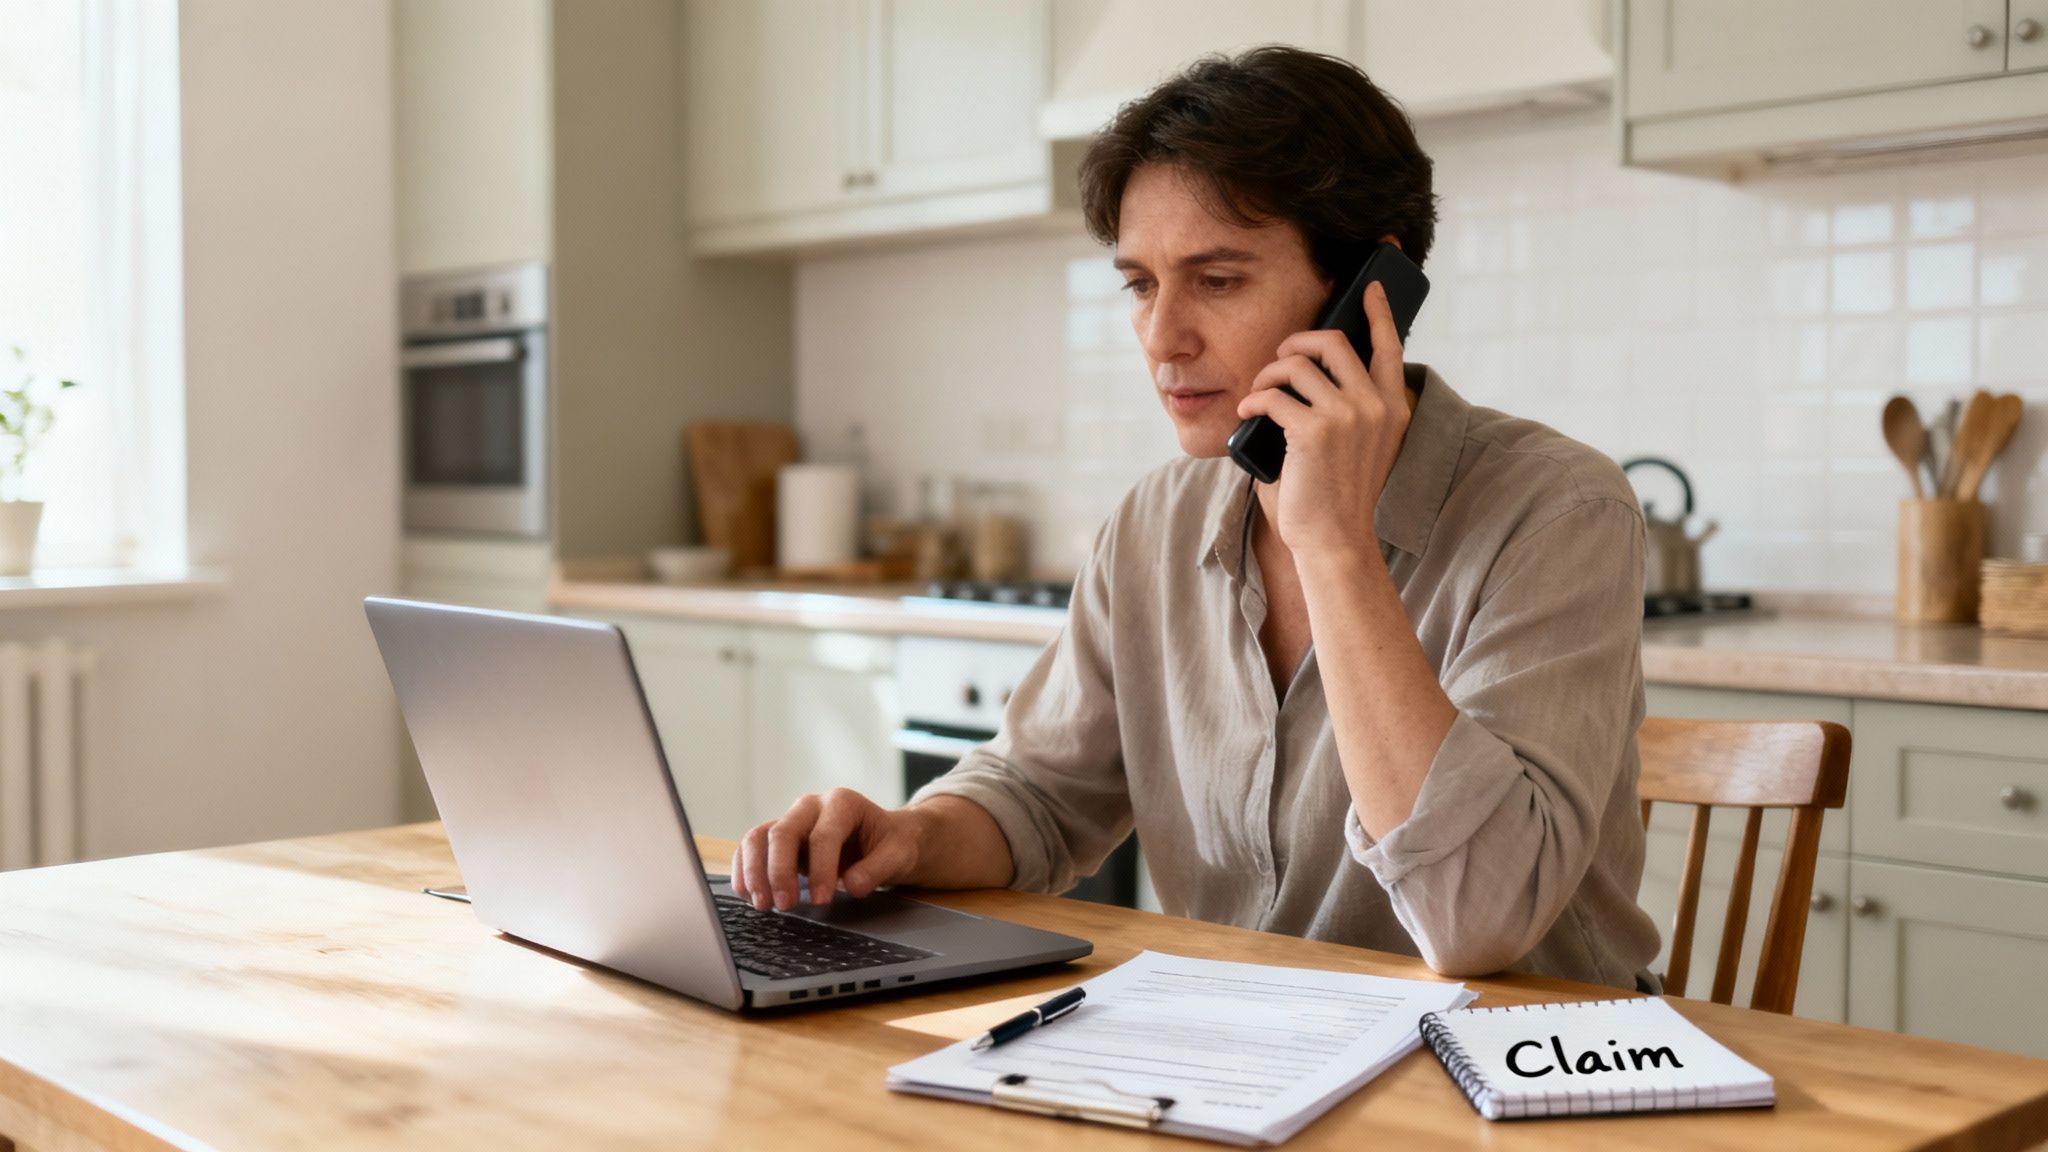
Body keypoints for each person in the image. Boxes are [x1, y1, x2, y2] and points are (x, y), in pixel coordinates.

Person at [731, 45, 1662, 990]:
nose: (1162, 339)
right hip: (1242, 1055)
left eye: (1217, 281)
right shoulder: (1156, 522)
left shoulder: (1559, 512)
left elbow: (1477, 922)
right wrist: (908, 836)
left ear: (1367, 296)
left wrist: (1334, 543)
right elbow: (1041, 797)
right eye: (1141, 283)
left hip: (1513, 1078)